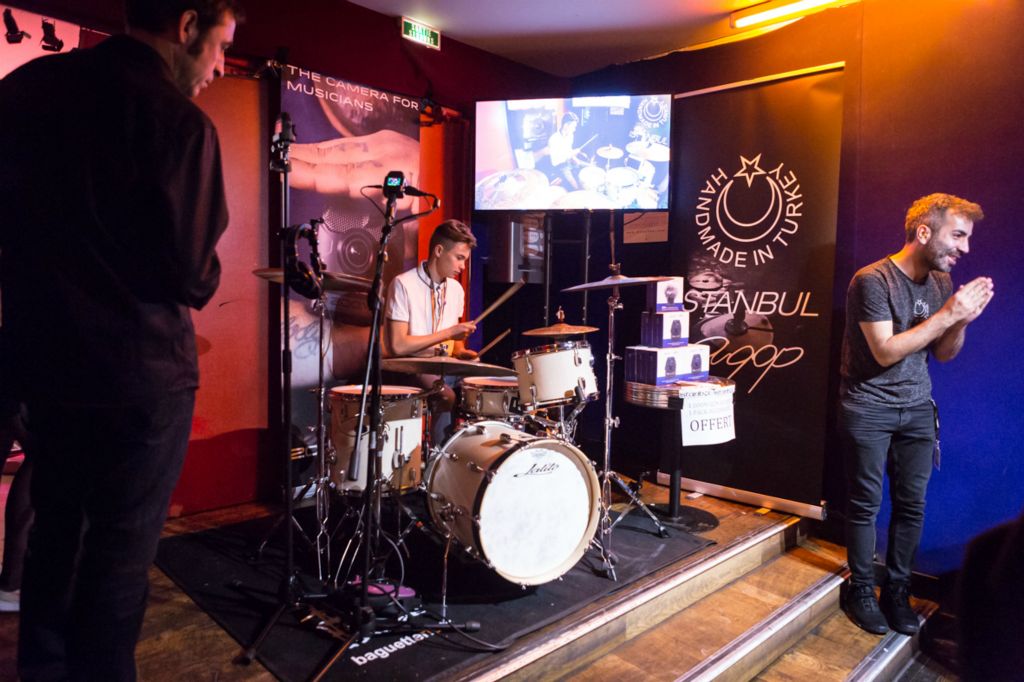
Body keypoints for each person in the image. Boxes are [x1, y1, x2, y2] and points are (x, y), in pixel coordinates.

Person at [0, 0, 240, 677]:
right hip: (138, 378)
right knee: (116, 564)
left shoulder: (26, 89)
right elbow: (194, 277)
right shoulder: (179, 124)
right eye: (221, 45)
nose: (220, 66)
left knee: (55, 537)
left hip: (43, 364)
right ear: (187, 25)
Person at [838, 193, 994, 636]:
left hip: (918, 408)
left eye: (967, 238)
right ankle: (863, 588)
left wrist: (961, 321)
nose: (965, 248)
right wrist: (948, 314)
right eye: (957, 235)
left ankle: (898, 590)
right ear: (923, 232)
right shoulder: (872, 280)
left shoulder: (941, 283)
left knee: (912, 505)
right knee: (865, 505)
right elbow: (884, 352)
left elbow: (943, 354)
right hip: (868, 406)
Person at [385, 220, 478, 446]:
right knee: (446, 396)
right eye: (459, 258)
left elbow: (455, 347)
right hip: (409, 368)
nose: (462, 267)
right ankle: (438, 458)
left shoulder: (456, 289)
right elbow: (397, 346)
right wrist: (449, 332)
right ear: (438, 251)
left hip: (441, 367)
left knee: (485, 385)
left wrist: (463, 352)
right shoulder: (403, 284)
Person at [547, 112, 587, 190]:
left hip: (570, 161)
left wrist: (574, 158)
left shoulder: (570, 135)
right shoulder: (554, 139)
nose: (575, 129)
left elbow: (568, 150)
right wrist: (570, 155)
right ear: (566, 125)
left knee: (591, 167)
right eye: (573, 127)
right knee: (577, 187)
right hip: (561, 166)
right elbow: (554, 162)